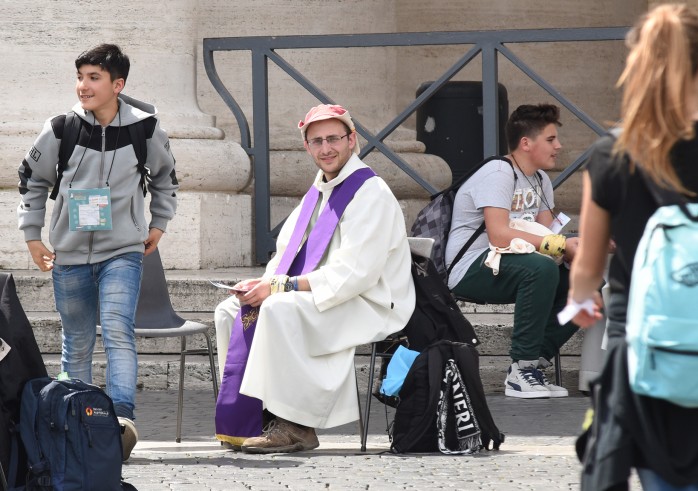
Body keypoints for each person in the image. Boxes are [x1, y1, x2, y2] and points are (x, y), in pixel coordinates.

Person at [568, 4, 698, 489]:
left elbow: (588, 268)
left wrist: (582, 300)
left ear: (638, 64)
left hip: (645, 357)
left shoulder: (611, 155)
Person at [213, 103, 415, 453]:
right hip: (325, 291)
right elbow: (286, 254)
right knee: (231, 311)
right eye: (317, 141)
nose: (326, 149)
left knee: (279, 309)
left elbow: (355, 273)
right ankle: (254, 418)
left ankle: (296, 425)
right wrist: (260, 284)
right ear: (307, 147)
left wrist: (279, 287)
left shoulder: (371, 193)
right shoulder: (318, 191)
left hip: (370, 301)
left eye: (334, 138)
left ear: (352, 139)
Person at [17, 43, 179, 461]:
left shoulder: (145, 129)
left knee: (118, 329)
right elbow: (32, 180)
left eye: (94, 78)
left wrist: (159, 223)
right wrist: (32, 235)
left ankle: (120, 422)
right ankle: (80, 421)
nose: (83, 86)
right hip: (68, 255)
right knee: (77, 342)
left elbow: (165, 177)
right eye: (80, 77)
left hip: (123, 251)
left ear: (117, 84)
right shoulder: (60, 128)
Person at [445, 103, 578, 399]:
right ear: (526, 143)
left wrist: (579, 249)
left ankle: (533, 366)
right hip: (471, 266)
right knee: (541, 269)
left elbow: (546, 237)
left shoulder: (541, 179)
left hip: (515, 264)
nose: (559, 146)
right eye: (551, 139)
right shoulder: (499, 172)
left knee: (587, 279)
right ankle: (521, 370)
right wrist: (559, 246)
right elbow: (499, 234)